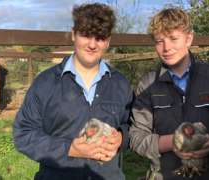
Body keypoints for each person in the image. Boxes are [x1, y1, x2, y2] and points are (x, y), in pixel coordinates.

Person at [129, 7, 209, 180]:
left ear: (189, 38)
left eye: (174, 38)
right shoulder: (148, 85)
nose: (166, 47)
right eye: (159, 41)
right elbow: (136, 138)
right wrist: (172, 142)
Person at [13, 3, 133, 180]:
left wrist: (121, 138)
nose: (92, 44)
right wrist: (69, 148)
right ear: (73, 34)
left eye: (99, 37)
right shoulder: (45, 83)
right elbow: (23, 134)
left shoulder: (121, 84)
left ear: (107, 41)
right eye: (85, 35)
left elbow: (133, 127)